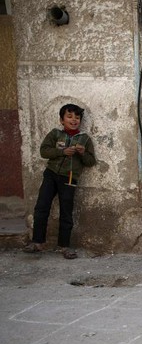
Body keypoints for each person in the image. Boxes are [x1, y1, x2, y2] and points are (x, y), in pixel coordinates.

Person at [23, 104, 96, 259]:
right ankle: (37, 242)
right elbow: (44, 151)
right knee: (41, 208)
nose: (74, 120)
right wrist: (62, 152)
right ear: (62, 120)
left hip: (69, 178)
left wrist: (82, 154)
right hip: (51, 175)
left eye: (77, 117)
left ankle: (64, 246)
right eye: (69, 117)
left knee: (66, 212)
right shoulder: (55, 134)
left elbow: (90, 161)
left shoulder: (84, 139)